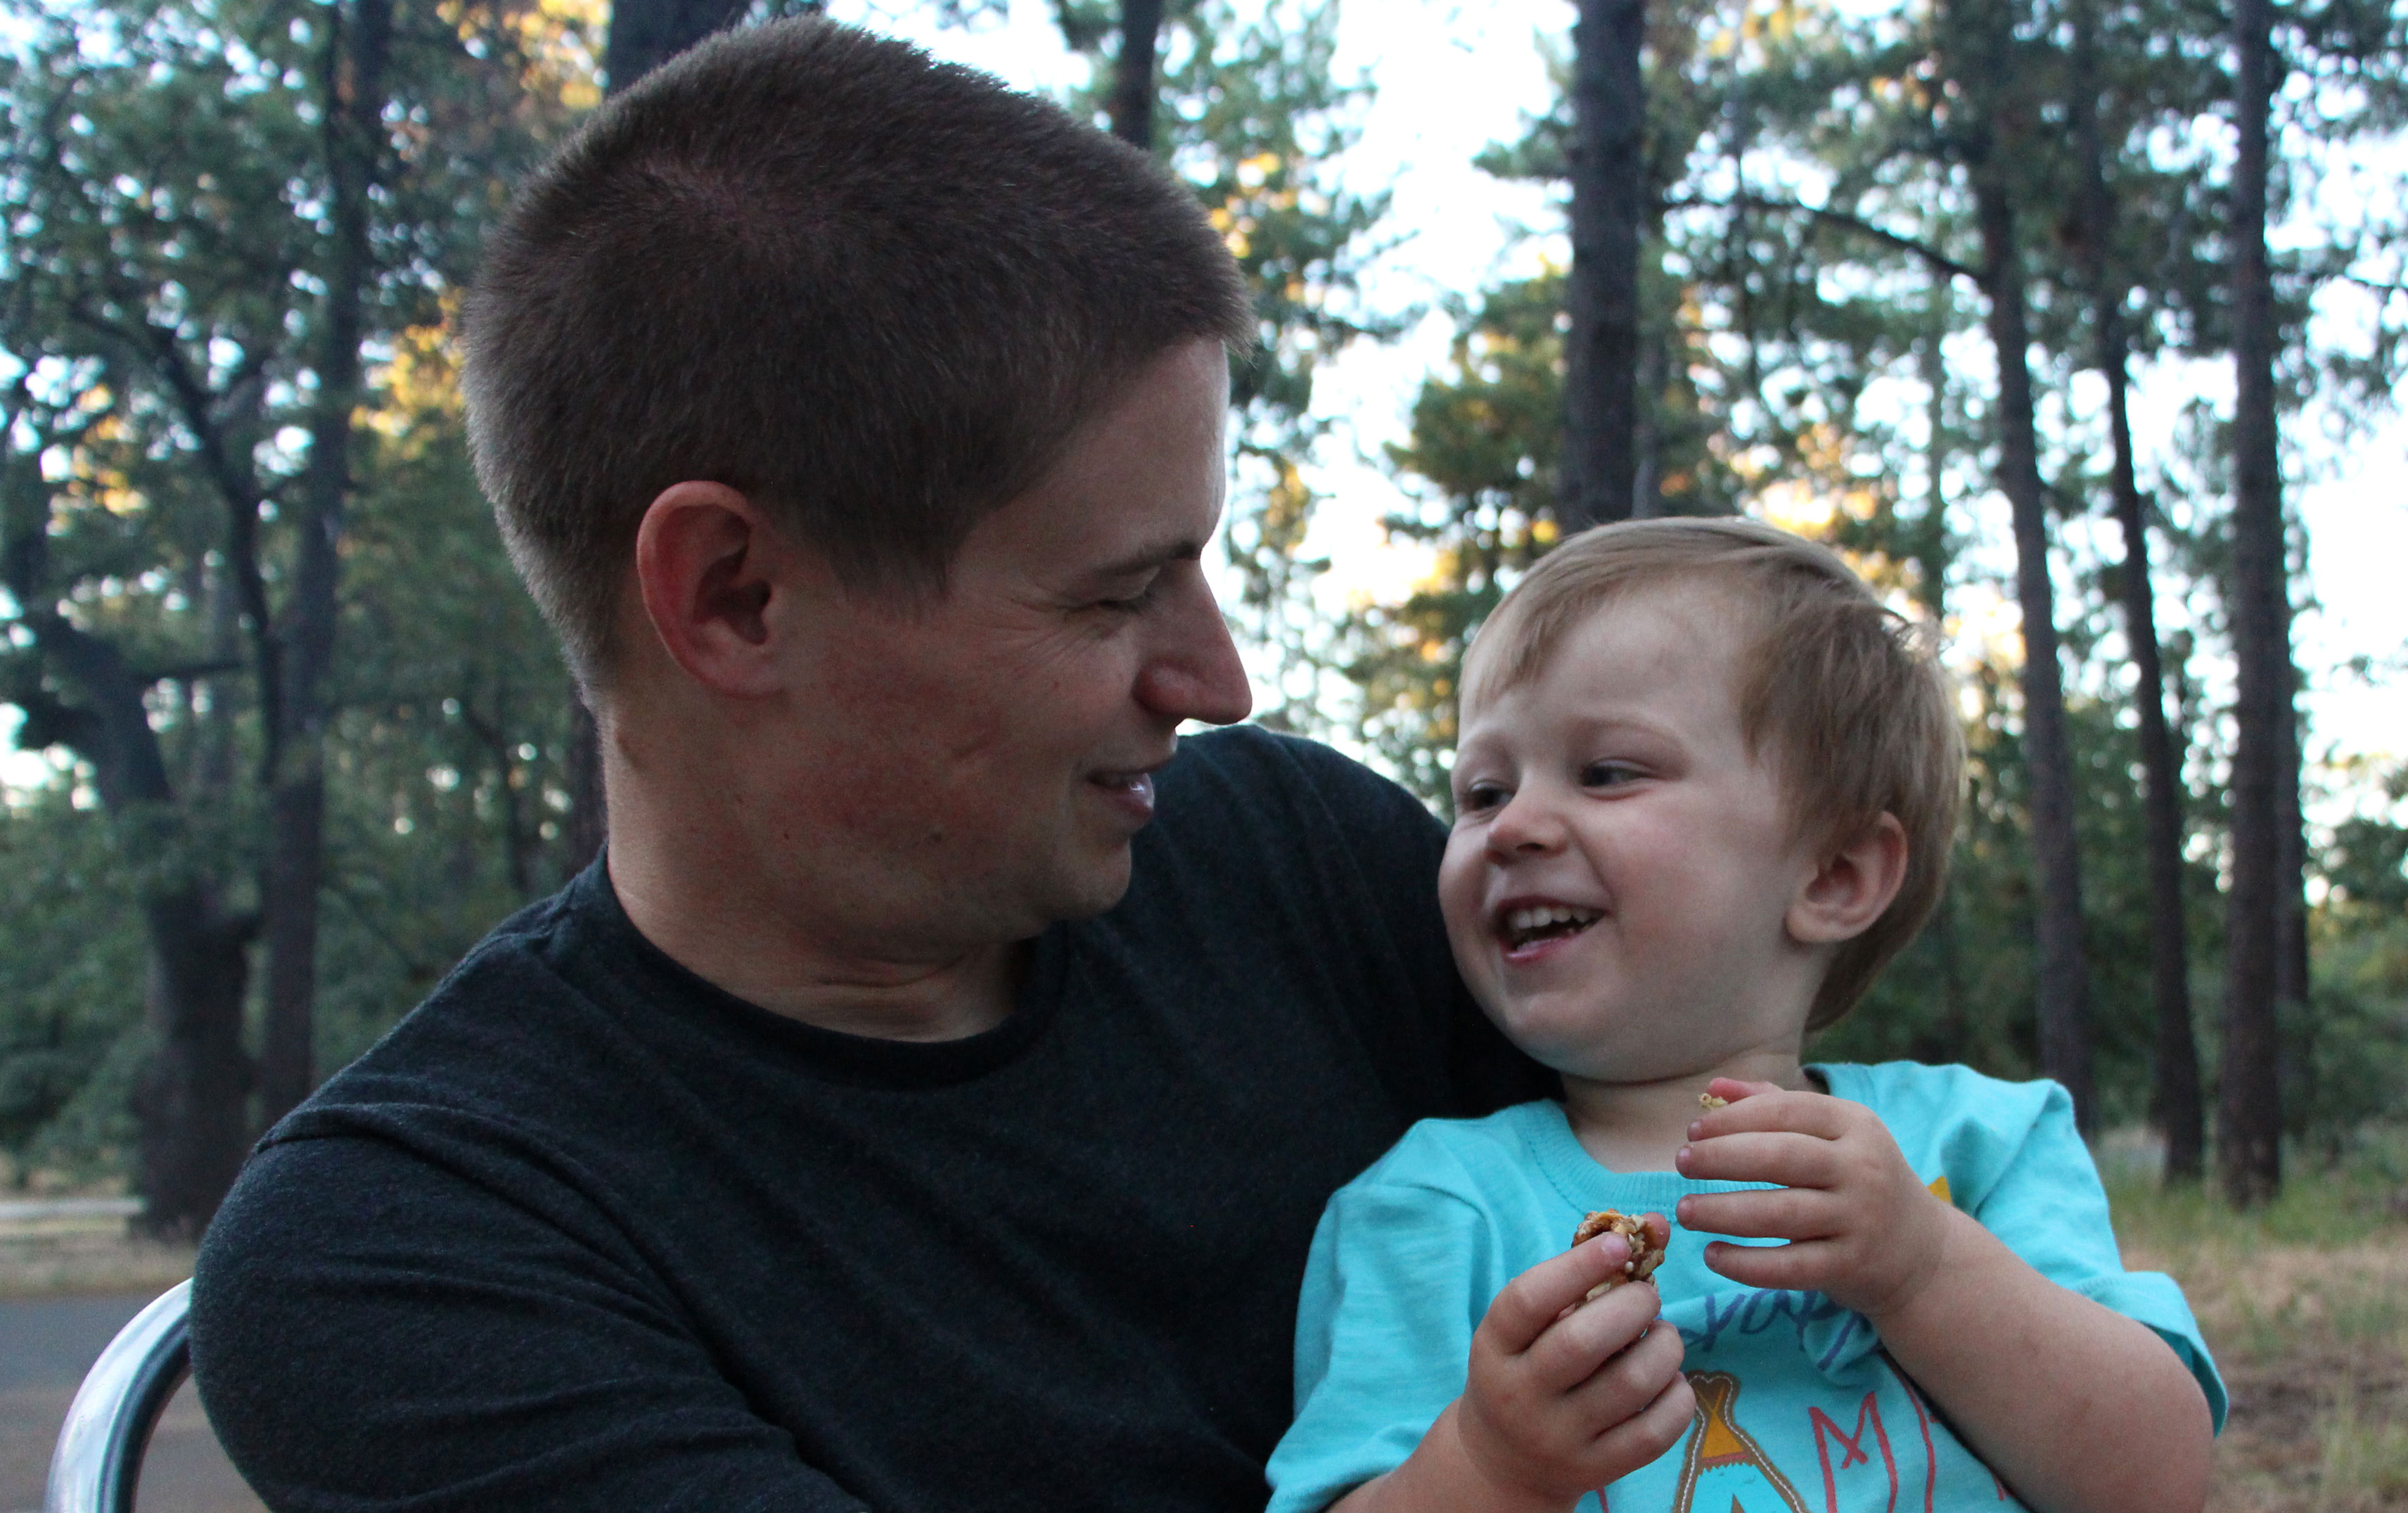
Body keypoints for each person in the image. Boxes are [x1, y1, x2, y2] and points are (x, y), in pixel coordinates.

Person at [186, 20, 1550, 1512]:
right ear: (734, 596)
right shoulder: (415, 1249)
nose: (1216, 681)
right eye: (1109, 593)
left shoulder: (1301, 869)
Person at [1264, 518, 2225, 1513]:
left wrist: (1923, 1267)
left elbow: (2155, 1479)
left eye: (1607, 772)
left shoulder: (1979, 1149)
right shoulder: (1435, 1209)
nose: (1515, 826)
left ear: (1835, 876)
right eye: (1482, 790)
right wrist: (1487, 1467)